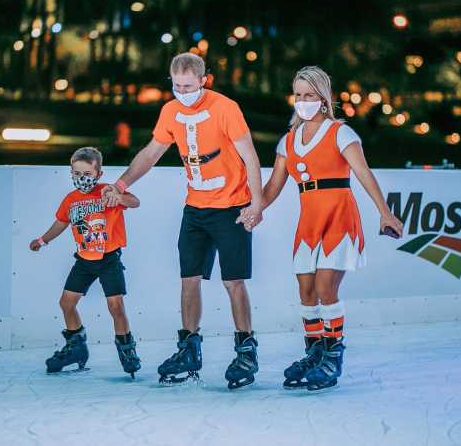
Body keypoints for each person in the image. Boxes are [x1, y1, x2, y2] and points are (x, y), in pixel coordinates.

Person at [102, 53, 264, 388]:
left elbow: (249, 155)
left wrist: (257, 204)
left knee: (233, 281)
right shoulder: (170, 112)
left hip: (232, 207)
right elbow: (150, 153)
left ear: (204, 80)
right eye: (176, 85)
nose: (182, 91)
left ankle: (246, 349)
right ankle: (189, 347)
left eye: (189, 86)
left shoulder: (226, 107)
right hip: (195, 209)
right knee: (189, 278)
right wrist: (121, 183)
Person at [251, 66, 403, 391]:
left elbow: (363, 173)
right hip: (309, 222)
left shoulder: (341, 133)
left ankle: (333, 355)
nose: (303, 101)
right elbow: (273, 187)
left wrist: (385, 213)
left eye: (310, 95)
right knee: (306, 292)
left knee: (325, 288)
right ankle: (315, 352)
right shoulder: (287, 141)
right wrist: (253, 209)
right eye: (299, 95)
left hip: (339, 217)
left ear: (323, 98)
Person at [29, 147, 142, 377]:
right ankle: (76, 346)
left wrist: (118, 196)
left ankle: (126, 348)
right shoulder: (70, 201)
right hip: (84, 260)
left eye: (87, 174)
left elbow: (134, 202)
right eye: (77, 173)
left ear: (98, 174)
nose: (82, 178)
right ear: (71, 173)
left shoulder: (107, 191)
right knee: (66, 303)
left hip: (109, 259)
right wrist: (43, 239)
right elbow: (61, 223)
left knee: (116, 306)